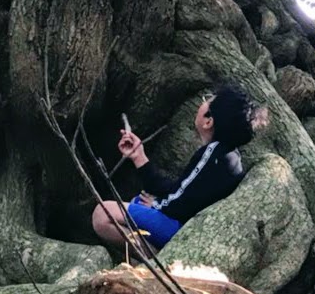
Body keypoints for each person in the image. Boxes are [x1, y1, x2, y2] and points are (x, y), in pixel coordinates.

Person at [91, 85, 268, 255]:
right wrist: (138, 156)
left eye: (208, 100)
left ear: (208, 121)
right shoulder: (226, 155)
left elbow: (180, 202)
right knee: (137, 202)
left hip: (180, 229)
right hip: (183, 225)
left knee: (103, 213)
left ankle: (158, 260)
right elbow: (180, 189)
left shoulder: (213, 155)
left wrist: (157, 205)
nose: (203, 101)